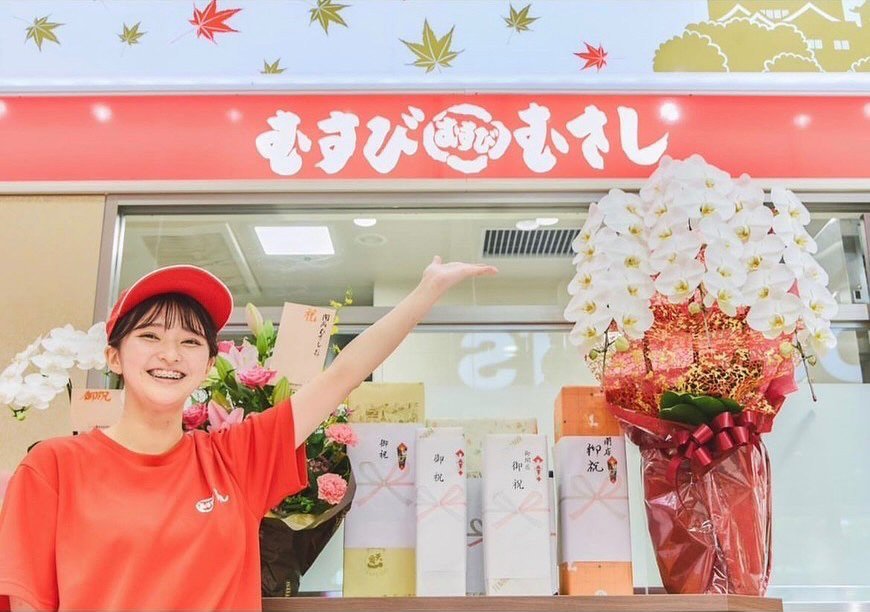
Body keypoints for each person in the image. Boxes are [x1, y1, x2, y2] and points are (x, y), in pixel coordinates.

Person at [0, 257, 497, 611]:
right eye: (150, 336)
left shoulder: (237, 458)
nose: (170, 354)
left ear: (207, 364)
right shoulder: (53, 466)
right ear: (114, 356)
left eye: (189, 341)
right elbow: (29, 600)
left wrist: (426, 290)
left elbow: (343, 374)